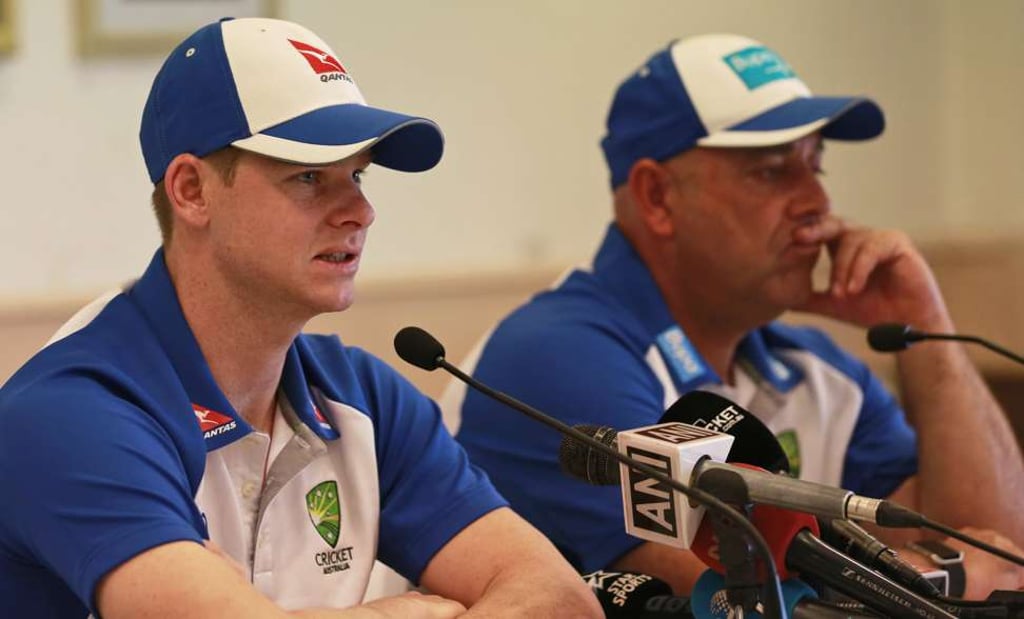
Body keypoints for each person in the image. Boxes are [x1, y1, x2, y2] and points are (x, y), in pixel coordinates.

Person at [0, 17, 602, 619]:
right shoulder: (71, 412)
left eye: (358, 175)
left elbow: (562, 598)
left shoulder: (364, 398)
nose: (361, 212)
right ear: (192, 191)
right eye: (309, 177)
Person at [445, 33, 1024, 600]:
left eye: (815, 167)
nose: (817, 204)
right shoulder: (559, 356)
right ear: (657, 197)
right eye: (773, 171)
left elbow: (1002, 558)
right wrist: (945, 576)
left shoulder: (818, 368)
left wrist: (927, 331)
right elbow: (731, 598)